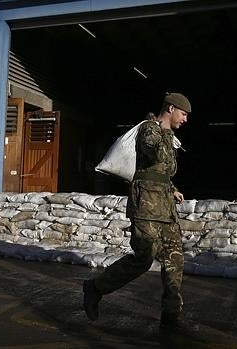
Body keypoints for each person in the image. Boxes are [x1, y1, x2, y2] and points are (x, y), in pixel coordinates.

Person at [83, 92, 195, 331]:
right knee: (143, 259)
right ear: (171, 108)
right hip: (145, 207)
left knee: (175, 260)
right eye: (183, 114)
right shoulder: (149, 129)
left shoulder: (168, 135)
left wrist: (172, 188)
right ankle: (95, 288)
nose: (185, 120)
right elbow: (157, 154)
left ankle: (171, 315)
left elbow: (162, 170)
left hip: (165, 208)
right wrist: (165, 132)